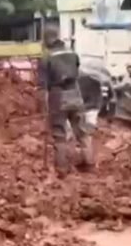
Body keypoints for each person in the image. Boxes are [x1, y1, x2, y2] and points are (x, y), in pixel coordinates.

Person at [38, 26, 94, 173]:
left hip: (58, 95)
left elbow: (43, 87)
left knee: (59, 133)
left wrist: (44, 107)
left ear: (46, 39)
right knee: (82, 131)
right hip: (75, 93)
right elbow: (76, 71)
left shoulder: (46, 58)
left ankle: (61, 168)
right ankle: (89, 163)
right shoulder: (72, 53)